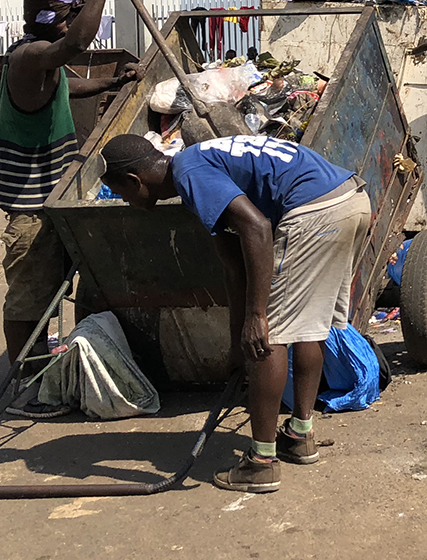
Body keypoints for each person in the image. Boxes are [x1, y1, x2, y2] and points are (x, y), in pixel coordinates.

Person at [99, 133, 372, 494]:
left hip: (313, 212)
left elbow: (257, 228)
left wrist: (257, 316)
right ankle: (299, 436)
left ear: (135, 180)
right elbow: (234, 267)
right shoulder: (199, 167)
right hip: (350, 200)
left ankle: (261, 464)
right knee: (309, 326)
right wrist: (234, 343)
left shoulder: (190, 173)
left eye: (122, 193)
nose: (125, 201)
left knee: (268, 336)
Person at [0, 0, 141, 365]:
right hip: (30, 207)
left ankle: (46, 358)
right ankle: (25, 380)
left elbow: (63, 88)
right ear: (48, 20)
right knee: (29, 298)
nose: (73, 21)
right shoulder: (30, 56)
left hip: (51, 196)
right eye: (67, 14)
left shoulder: (42, 63)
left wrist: (112, 81)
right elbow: (76, 42)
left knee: (55, 284)